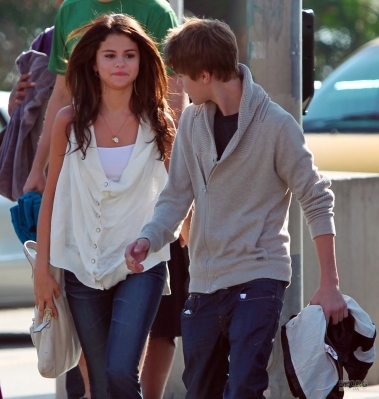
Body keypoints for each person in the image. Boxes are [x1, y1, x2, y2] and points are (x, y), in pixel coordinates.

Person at [125, 17, 348, 399]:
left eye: (183, 76)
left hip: (259, 278)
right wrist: (148, 237)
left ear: (206, 74)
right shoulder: (192, 123)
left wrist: (330, 284)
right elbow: (176, 196)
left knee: (244, 388)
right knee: (200, 392)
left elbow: (316, 196)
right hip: (205, 284)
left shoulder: (277, 126)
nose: (178, 84)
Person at [21, 1, 188, 398]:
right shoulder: (69, 121)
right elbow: (52, 203)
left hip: (141, 266)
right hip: (81, 267)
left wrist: (189, 240)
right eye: (109, 55)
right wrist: (42, 271)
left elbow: (180, 193)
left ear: (142, 62)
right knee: (98, 380)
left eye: (129, 55)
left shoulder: (160, 121)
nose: (120, 63)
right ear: (93, 63)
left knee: (119, 371)